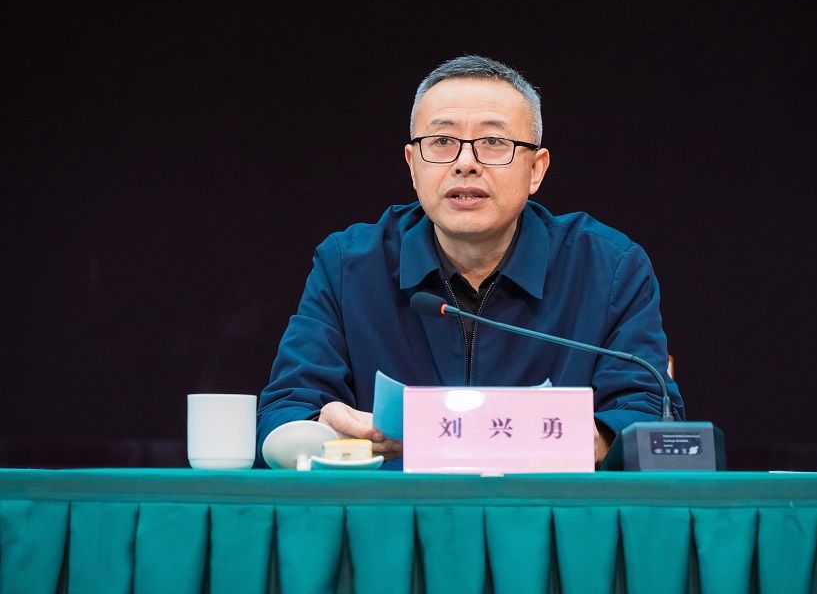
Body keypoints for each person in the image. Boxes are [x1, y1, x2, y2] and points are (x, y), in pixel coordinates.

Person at [256, 55, 684, 467]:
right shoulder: (348, 265)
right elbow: (286, 409)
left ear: (536, 169)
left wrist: (595, 439)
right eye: (441, 142)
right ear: (413, 165)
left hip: (544, 508)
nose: (465, 164)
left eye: (494, 143)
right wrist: (318, 430)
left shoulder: (607, 268)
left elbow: (650, 415)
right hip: (395, 508)